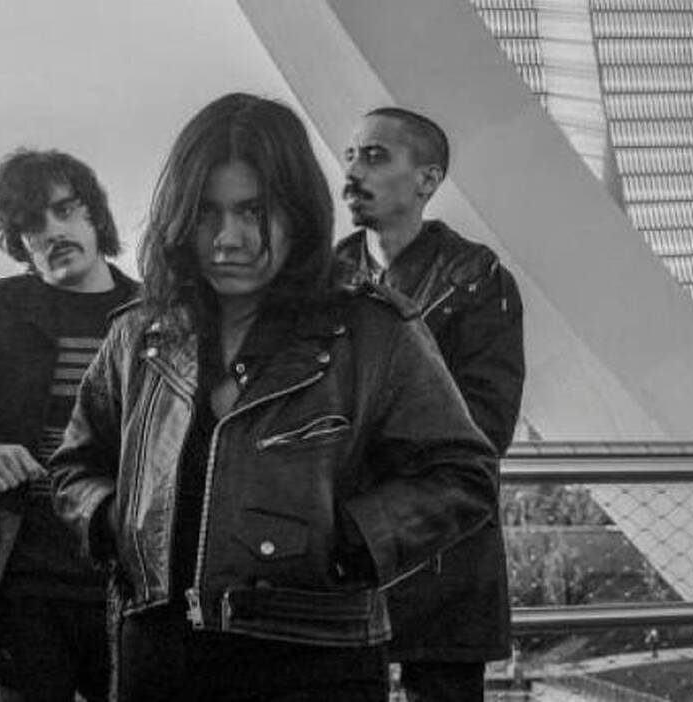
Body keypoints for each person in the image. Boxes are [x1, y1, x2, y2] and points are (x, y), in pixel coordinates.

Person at [51, 93, 499, 702]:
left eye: (253, 211)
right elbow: (76, 467)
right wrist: (116, 523)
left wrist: (350, 541)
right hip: (156, 657)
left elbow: (463, 474)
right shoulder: (139, 334)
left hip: (315, 658)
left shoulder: (372, 331)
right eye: (205, 213)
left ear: (299, 212)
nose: (227, 239)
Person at [0, 149, 137, 701]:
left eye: (65, 210)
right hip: (25, 580)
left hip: (129, 579)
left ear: (95, 214)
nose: (52, 232)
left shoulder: (154, 314)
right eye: (31, 224)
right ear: (18, 241)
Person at [336, 106, 525, 701]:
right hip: (346, 547)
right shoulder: (325, 279)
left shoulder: (477, 280)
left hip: (442, 545)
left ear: (427, 179)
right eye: (350, 155)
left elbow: (485, 426)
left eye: (375, 156)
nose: (353, 171)